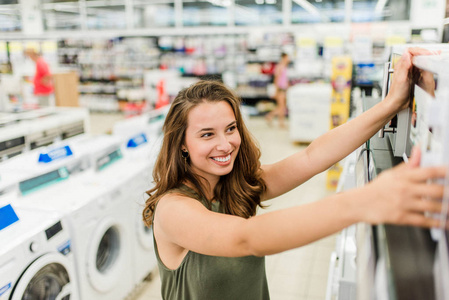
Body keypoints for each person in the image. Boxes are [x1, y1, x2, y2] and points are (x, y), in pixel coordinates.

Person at [143, 48, 445, 300]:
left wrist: (391, 104)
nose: (225, 144)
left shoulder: (233, 186)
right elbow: (246, 239)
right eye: (207, 135)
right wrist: (366, 201)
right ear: (181, 144)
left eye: (231, 128)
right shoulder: (174, 210)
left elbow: (312, 157)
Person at [265, 52, 289, 128]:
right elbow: (277, 79)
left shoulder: (284, 67)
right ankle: (273, 118)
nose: (289, 59)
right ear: (284, 58)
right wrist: (276, 90)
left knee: (282, 107)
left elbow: (284, 79)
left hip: (283, 89)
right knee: (281, 107)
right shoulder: (280, 67)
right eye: (287, 57)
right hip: (280, 89)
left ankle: (273, 118)